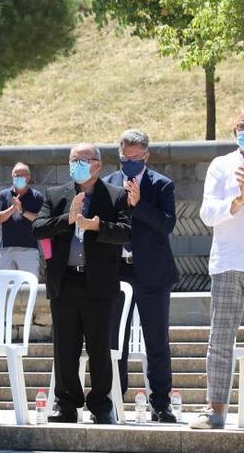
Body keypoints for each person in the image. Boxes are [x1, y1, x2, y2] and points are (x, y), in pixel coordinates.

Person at [32, 143, 131, 424]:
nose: (76, 164)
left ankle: (100, 405)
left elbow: (126, 233)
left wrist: (96, 226)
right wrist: (68, 219)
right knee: (65, 348)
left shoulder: (114, 196)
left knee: (99, 346)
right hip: (64, 281)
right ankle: (66, 404)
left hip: (98, 282)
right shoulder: (55, 194)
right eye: (72, 160)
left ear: (98, 165)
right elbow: (37, 227)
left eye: (82, 160)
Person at [103, 129, 178, 423]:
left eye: (135, 158)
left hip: (153, 273)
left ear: (146, 156)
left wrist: (139, 205)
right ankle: (113, 400)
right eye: (124, 157)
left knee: (156, 339)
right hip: (118, 272)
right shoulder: (108, 184)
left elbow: (167, 224)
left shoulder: (162, 185)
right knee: (114, 341)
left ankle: (160, 403)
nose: (129, 162)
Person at [190, 113, 244, 429]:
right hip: (227, 264)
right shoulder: (221, 166)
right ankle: (215, 409)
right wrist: (236, 199)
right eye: (241, 128)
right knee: (221, 339)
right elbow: (207, 214)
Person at [0, 162, 44, 278]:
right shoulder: (3, 195)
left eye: (23, 175)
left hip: (29, 249)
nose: (19, 178)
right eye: (16, 175)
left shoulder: (36, 196)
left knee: (29, 284)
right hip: (6, 248)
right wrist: (13, 208)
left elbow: (40, 219)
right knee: (6, 285)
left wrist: (22, 211)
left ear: (29, 177)